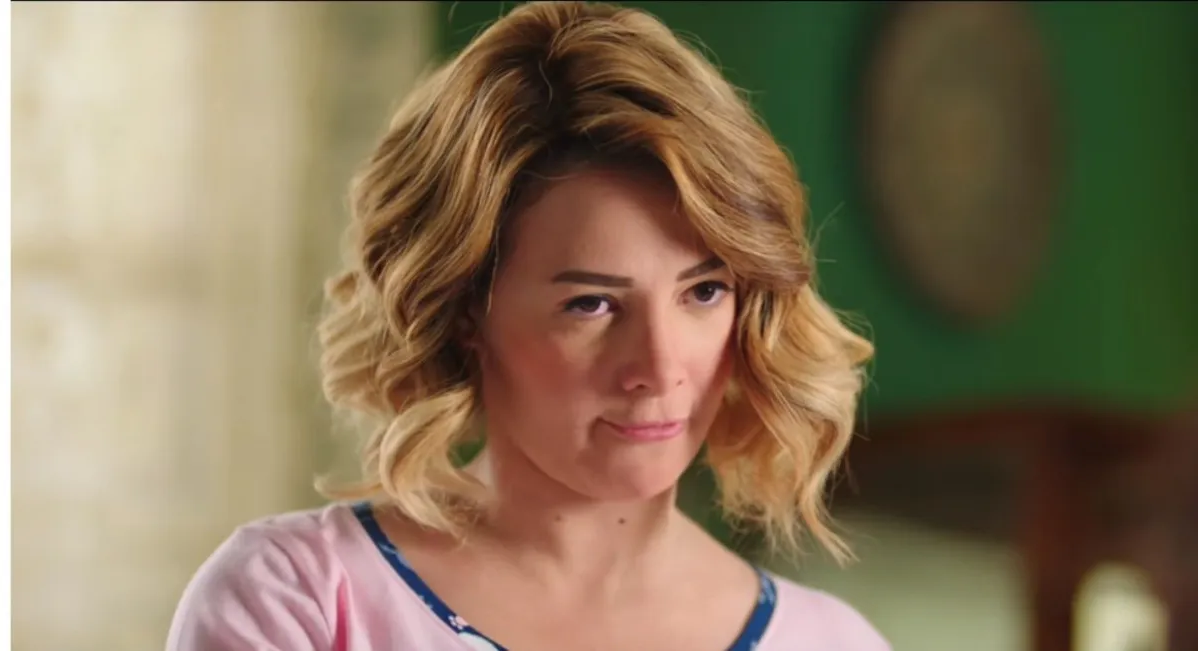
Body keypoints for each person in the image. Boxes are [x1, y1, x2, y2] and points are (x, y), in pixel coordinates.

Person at [166, 2, 886, 649]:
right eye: (592, 304)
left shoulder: (830, 642)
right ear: (463, 313)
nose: (660, 367)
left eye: (703, 292)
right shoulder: (299, 603)